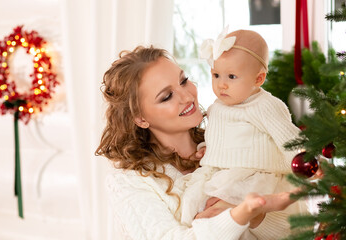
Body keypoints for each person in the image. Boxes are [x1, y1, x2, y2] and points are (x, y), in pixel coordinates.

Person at [96, 45, 299, 240]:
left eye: (184, 81)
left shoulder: (235, 144)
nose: (187, 96)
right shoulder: (129, 182)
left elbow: (297, 227)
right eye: (167, 96)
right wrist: (240, 214)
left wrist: (257, 216)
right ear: (140, 118)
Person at [178, 27, 307, 237]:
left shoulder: (265, 105)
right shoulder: (217, 107)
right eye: (216, 75)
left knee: (210, 216)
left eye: (231, 76)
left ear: (258, 79)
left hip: (253, 177)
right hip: (222, 175)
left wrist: (307, 163)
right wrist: (206, 149)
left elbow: (289, 138)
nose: (221, 84)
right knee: (192, 209)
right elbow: (223, 138)